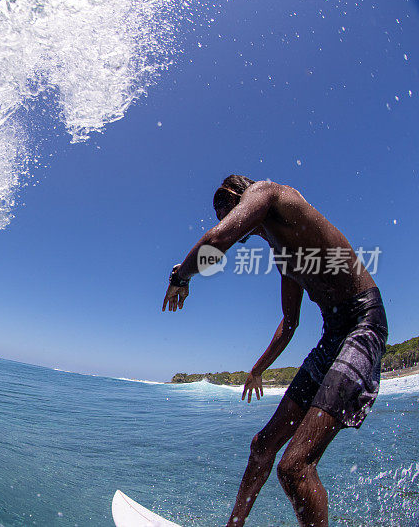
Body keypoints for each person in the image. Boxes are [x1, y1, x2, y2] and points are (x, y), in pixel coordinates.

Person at [161, 175, 388, 527]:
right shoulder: (283, 256)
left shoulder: (269, 192)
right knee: (262, 446)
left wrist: (182, 276)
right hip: (333, 336)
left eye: (233, 217)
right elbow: (290, 321)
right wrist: (257, 369)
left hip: (362, 324)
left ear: (242, 198)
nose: (241, 231)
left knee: (293, 466)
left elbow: (218, 240)